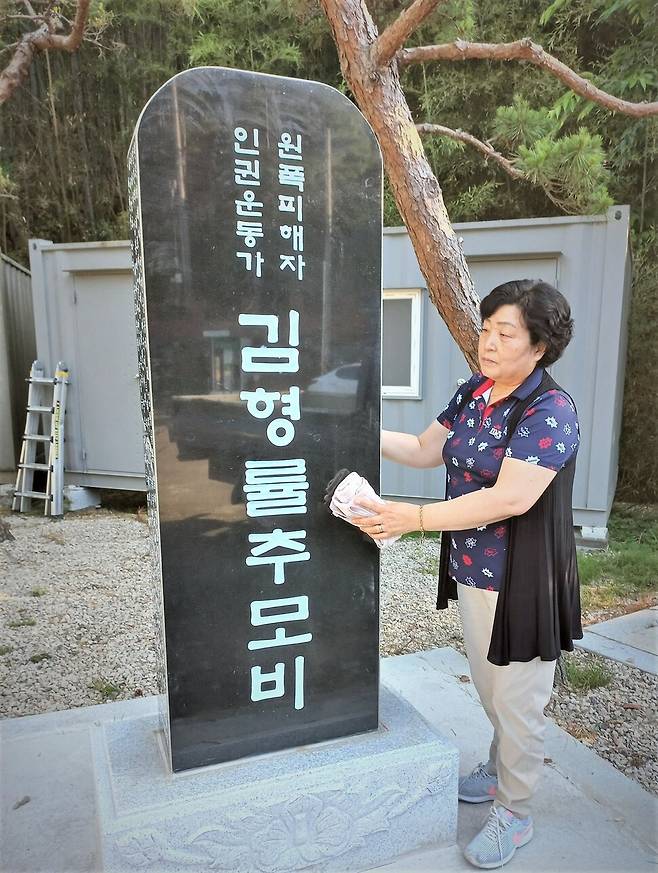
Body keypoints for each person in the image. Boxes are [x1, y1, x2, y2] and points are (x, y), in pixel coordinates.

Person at [352, 279, 582, 869]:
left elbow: (509, 500)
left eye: (505, 333)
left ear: (539, 347)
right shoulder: (473, 391)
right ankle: (502, 762)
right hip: (476, 570)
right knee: (489, 686)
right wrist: (356, 431)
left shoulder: (549, 411)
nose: (489, 342)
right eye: (485, 329)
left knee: (519, 699)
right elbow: (428, 450)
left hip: (523, 580)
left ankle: (516, 809)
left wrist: (416, 517)